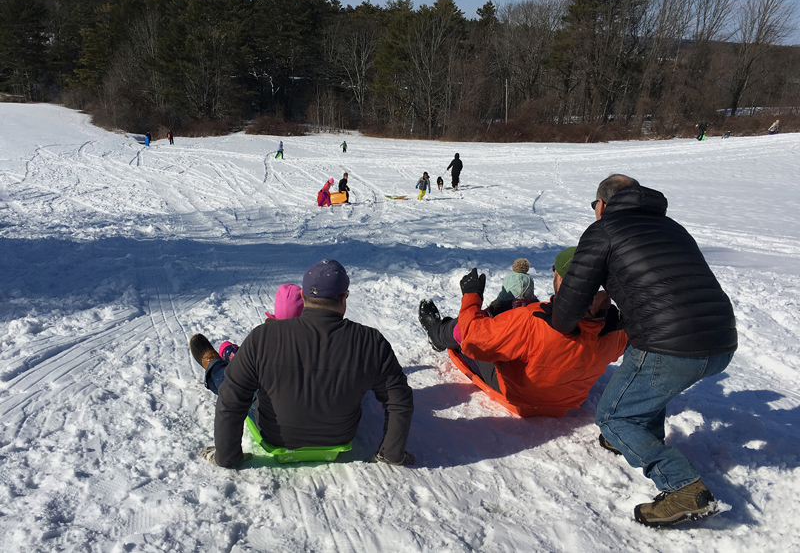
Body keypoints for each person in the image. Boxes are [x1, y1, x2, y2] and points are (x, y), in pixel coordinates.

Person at [549, 174, 737, 528]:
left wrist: (561, 324)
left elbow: (572, 299)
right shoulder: (673, 227)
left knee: (614, 417)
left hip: (671, 345)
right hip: (721, 340)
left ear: (602, 205)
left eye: (594, 206)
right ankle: (641, 441)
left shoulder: (604, 230)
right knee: (644, 385)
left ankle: (683, 489)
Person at [191, 260, 415, 468]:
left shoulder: (264, 336)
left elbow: (231, 398)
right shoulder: (370, 341)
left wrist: (227, 457)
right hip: (339, 436)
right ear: (344, 297)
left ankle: (213, 365)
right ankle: (217, 365)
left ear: (303, 295)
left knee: (230, 380)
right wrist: (391, 453)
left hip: (274, 434)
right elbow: (400, 399)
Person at [418, 248, 627, 416]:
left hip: (518, 394)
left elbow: (474, 339)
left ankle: (437, 334)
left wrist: (471, 296)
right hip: (566, 402)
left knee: (472, 327)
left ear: (562, 280)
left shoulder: (532, 321)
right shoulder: (615, 330)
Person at [193, 284, 305, 396]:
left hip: (267, 405)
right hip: (308, 404)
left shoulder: (266, 340)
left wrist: (232, 353)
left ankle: (214, 367)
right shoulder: (315, 340)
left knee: (231, 379)